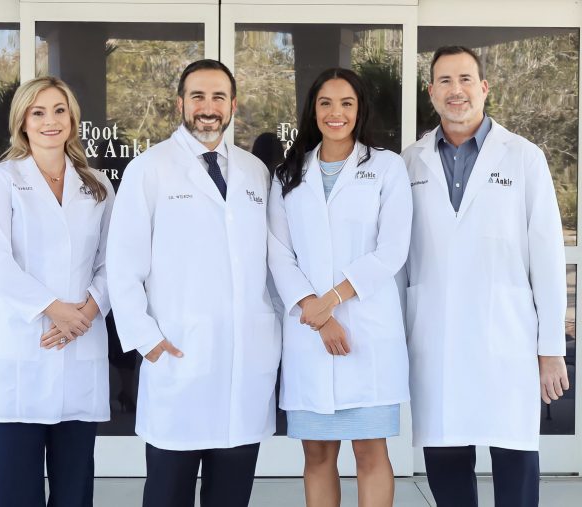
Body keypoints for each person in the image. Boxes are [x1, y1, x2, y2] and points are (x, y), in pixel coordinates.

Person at [400, 45, 570, 507]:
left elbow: (547, 257)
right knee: (446, 463)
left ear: (484, 88)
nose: (456, 91)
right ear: (430, 92)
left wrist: (551, 349)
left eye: (465, 79)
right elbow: (399, 260)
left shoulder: (524, 157)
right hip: (436, 339)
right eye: (445, 81)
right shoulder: (410, 162)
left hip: (507, 339)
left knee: (515, 460)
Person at [106, 59, 280, 507]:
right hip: (177, 355)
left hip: (244, 361)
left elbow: (272, 263)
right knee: (168, 493)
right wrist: (145, 339)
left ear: (233, 105)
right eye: (198, 96)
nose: (208, 107)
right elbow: (122, 264)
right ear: (180, 103)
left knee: (231, 495)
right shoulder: (149, 169)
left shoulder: (255, 172)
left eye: (218, 97)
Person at [268, 68, 412, 507]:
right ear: (313, 110)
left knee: (370, 452)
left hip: (366, 334)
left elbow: (392, 249)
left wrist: (330, 301)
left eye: (346, 103)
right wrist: (316, 312)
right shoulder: (289, 173)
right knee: (317, 454)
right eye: (326, 103)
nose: (336, 113)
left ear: (359, 109)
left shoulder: (386, 167)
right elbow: (278, 252)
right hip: (310, 335)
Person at [0, 76, 114, 507]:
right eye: (38, 112)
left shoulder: (98, 184)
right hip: (22, 348)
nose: (50, 121)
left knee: (74, 492)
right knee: (16, 493)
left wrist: (86, 313)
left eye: (59, 110)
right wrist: (55, 310)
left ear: (72, 118)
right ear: (23, 122)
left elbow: (112, 261)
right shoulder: (1, 179)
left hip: (80, 343)